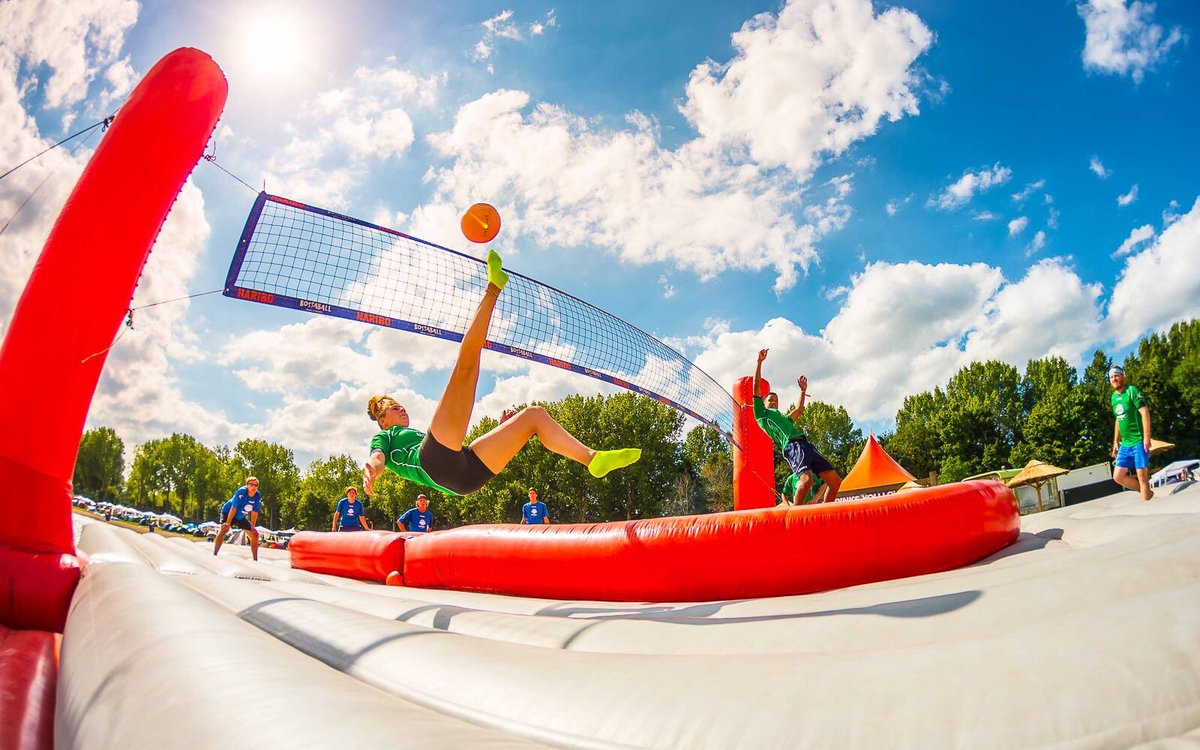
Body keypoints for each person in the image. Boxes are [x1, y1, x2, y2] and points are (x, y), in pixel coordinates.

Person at [362, 250, 641, 498]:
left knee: (534, 416)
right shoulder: (386, 438)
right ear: (383, 421)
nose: (402, 408)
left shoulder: (415, 435)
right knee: (466, 366)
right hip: (435, 464)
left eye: (400, 405)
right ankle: (493, 287)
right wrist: (373, 469)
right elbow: (377, 457)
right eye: (394, 408)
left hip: (465, 475)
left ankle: (592, 459)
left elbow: (454, 440)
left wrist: (499, 428)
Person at [753, 349, 842, 504]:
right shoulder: (762, 414)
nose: (774, 402)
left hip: (806, 445)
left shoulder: (785, 419)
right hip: (792, 445)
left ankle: (827, 515)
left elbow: (799, 409)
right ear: (764, 402)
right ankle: (796, 518)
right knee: (806, 480)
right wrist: (759, 362)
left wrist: (802, 391)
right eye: (770, 400)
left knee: (834, 481)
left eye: (776, 400)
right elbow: (756, 385)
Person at [1109, 365, 1153, 501]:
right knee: (1118, 476)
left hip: (1138, 440)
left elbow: (1144, 412)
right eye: (1111, 377)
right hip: (1125, 444)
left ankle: (1147, 506)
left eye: (1116, 375)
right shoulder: (1113, 398)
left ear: (1123, 376)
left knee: (1142, 476)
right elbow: (1118, 418)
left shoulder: (1131, 391)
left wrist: (1146, 437)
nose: (1114, 378)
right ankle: (1146, 493)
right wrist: (1116, 441)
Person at [213, 477, 263, 560]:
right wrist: (228, 523)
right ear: (247, 485)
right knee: (224, 529)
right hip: (228, 512)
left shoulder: (257, 496)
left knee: (255, 535)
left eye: (256, 485)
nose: (254, 487)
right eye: (251, 484)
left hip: (240, 517)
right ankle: (214, 554)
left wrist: (252, 527)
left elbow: (255, 513)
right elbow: (233, 508)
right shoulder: (242, 492)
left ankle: (255, 560)